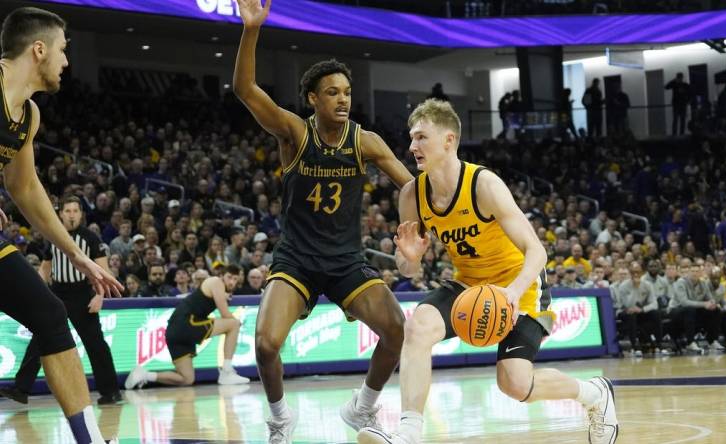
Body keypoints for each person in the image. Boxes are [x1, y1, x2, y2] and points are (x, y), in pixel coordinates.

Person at [357, 99, 618, 444]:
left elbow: (537, 251)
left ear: (449, 141)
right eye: (411, 138)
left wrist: (510, 293)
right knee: (417, 326)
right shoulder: (411, 196)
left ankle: (595, 394)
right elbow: (409, 267)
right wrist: (410, 259)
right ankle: (409, 434)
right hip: (469, 283)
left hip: (520, 286)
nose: (412, 147)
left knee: (514, 383)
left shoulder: (484, 184)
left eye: (421, 137)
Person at [233, 1, 413, 442]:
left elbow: (410, 186)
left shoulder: (365, 141)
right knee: (265, 343)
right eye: (332, 91)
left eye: (347, 92)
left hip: (346, 260)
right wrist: (252, 28)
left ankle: (362, 407)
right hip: (296, 258)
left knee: (395, 329)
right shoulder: (295, 132)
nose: (343, 98)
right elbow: (244, 88)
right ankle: (279, 420)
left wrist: (424, 223)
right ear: (312, 98)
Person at [0, 8, 122, 444]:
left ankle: (89, 439)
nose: (67, 62)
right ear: (39, 50)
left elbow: (26, 188)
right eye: (63, 50)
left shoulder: (27, 116)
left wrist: (77, 255)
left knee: (50, 314)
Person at [1, 196, 121, 406]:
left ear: (81, 214)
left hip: (83, 295)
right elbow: (45, 268)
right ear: (60, 214)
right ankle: (21, 388)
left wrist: (99, 296)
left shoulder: (90, 238)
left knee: (96, 344)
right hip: (58, 292)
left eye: (75, 211)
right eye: (68, 211)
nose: (72, 215)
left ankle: (110, 390)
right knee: (40, 340)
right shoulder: (54, 238)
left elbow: (102, 268)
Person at [124, 264, 250, 389]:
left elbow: (217, 297)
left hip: (174, 332)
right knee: (233, 324)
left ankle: (144, 375)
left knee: (187, 379)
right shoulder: (216, 281)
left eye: (235, 279)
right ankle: (227, 372)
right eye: (229, 277)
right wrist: (239, 322)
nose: (232, 281)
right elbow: (225, 314)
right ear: (222, 275)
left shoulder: (218, 288)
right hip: (186, 324)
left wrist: (224, 296)